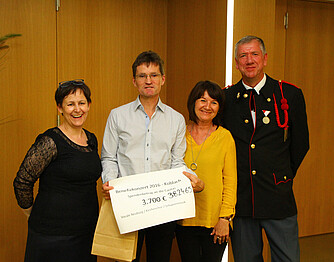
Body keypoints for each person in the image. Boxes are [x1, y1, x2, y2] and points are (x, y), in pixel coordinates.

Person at [101, 50, 204, 262]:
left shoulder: (176, 119)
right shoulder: (117, 115)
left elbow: (177, 161)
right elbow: (109, 157)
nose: (148, 81)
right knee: (126, 260)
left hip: (162, 207)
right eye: (142, 76)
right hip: (128, 204)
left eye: (154, 75)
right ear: (134, 81)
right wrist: (109, 182)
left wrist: (188, 178)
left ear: (162, 79)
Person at [223, 35, 309, 262]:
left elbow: (301, 143)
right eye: (243, 56)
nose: (249, 60)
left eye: (254, 54)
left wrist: (282, 175)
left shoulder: (288, 94)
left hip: (278, 196)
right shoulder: (226, 98)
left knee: (287, 258)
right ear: (236, 62)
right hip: (242, 200)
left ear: (265, 58)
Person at [13, 79, 102, 262]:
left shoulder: (91, 139)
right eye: (70, 104)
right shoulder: (50, 141)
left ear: (89, 105)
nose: (77, 109)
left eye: (81, 103)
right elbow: (22, 181)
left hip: (86, 233)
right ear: (60, 108)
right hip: (52, 237)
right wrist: (32, 213)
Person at [176, 80, 237, 262]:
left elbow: (231, 181)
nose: (207, 106)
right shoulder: (180, 134)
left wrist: (225, 218)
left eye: (214, 102)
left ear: (219, 108)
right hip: (184, 219)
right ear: (193, 102)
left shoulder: (225, 137)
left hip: (215, 221)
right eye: (202, 100)